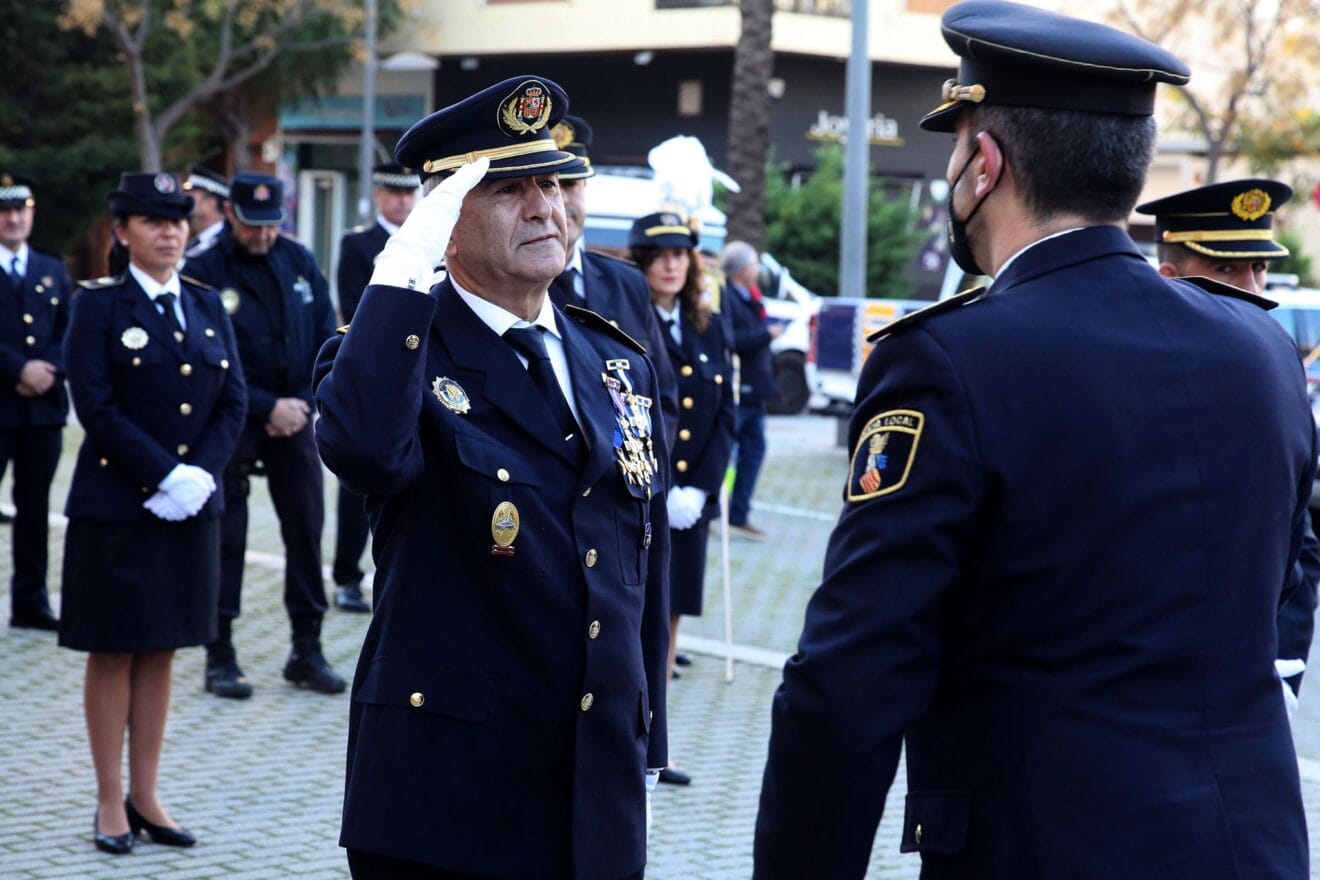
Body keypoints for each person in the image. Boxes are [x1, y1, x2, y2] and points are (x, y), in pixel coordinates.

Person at [754, 2, 1313, 877]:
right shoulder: (1264, 352)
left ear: (984, 162)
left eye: (954, 147)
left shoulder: (949, 362)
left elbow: (849, 685)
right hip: (1252, 847)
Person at [313, 74, 670, 879]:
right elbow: (364, 449)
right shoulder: (395, 357)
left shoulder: (616, 359)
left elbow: (633, 562)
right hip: (451, 795)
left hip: (593, 788)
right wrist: (404, 266)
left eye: (551, 181)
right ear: (446, 221)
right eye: (510, 190)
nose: (546, 206)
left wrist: (644, 734)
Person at [58, 172, 246, 854]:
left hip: (190, 506)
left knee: (163, 646)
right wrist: (163, 473)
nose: (169, 231)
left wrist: (200, 476)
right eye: (151, 221)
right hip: (117, 504)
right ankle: (110, 799)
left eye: (178, 220)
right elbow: (96, 404)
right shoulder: (98, 306)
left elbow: (234, 399)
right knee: (112, 650)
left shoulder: (205, 304)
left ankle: (147, 792)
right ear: (122, 232)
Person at [1137, 178, 1320, 709]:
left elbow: (1299, 544)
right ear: (1169, 278)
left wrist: (1282, 676)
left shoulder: (1276, 365)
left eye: (1258, 268)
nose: (1252, 287)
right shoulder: (1126, 371)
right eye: (1226, 270)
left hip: (1240, 695)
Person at [184, 172, 344, 698]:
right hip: (234, 417)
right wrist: (265, 405)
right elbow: (205, 357)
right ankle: (220, 651)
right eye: (253, 226)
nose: (263, 236)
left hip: (297, 415)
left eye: (272, 225)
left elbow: (327, 333)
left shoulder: (298, 261)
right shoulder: (205, 270)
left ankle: (306, 647)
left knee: (305, 528)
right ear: (231, 215)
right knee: (227, 538)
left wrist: (300, 401)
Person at [629, 211, 733, 787]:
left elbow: (727, 417)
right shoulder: (624, 319)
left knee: (670, 615)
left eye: (681, 253)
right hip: (644, 494)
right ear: (641, 260)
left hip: (689, 499)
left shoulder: (708, 324)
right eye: (660, 253)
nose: (672, 262)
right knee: (637, 611)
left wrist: (700, 488)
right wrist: (659, 489)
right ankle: (629, 734)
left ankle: (655, 741)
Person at [547, 114, 679, 448]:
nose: (562, 201)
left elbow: (661, 393)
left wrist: (650, 481)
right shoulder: (509, 286)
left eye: (571, 184)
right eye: (549, 184)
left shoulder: (627, 282)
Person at [331, 162, 420, 613]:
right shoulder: (358, 244)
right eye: (394, 193)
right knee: (357, 480)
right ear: (379, 194)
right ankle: (347, 575)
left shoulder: (432, 241)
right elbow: (352, 307)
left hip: (418, 371)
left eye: (410, 193)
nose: (403, 201)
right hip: (368, 366)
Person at [0, 173, 71, 631]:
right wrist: (17, 370)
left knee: (34, 508)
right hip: (1, 407)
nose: (12, 219)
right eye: (4, 211)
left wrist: (47, 368)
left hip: (42, 411)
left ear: (32, 213)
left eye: (20, 210)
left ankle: (30, 600)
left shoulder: (51, 269)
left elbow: (71, 331)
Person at [719, 240, 778, 540]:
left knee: (754, 451)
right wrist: (766, 334)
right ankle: (714, 514)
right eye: (754, 263)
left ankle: (738, 513)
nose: (758, 269)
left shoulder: (752, 297)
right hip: (740, 389)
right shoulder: (727, 298)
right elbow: (733, 340)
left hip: (756, 391)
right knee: (724, 450)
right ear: (743, 270)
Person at [181, 165, 228, 258]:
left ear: (211, 204)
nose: (185, 199)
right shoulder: (196, 241)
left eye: (191, 196)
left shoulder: (223, 244)